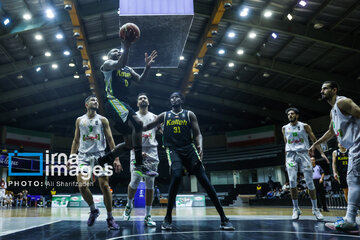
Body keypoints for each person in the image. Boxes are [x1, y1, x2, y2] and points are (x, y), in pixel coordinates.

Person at [142, 92, 234, 230]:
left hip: (189, 149)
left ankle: (224, 219)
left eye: (176, 97)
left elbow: (198, 134)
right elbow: (147, 127)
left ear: (181, 100)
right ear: (170, 101)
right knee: (177, 175)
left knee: (205, 181)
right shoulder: (165, 115)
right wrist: (133, 126)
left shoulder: (189, 114)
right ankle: (168, 218)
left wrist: (200, 145)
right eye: (171, 97)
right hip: (173, 150)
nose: (174, 99)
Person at [98, 33, 158, 177]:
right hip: (112, 101)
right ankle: (139, 164)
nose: (117, 52)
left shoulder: (128, 69)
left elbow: (141, 80)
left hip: (123, 103)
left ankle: (103, 159)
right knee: (138, 124)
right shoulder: (107, 65)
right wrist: (126, 45)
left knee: (129, 144)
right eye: (114, 51)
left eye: (119, 51)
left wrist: (147, 67)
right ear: (108, 56)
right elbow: (120, 63)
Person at [309, 81, 360, 233]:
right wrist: (314, 144)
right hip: (353, 147)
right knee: (354, 180)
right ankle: (350, 219)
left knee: (353, 180)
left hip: (358, 144)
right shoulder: (333, 111)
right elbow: (331, 132)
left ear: (334, 90)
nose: (322, 91)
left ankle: (350, 220)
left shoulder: (343, 102)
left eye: (325, 88)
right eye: (321, 89)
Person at [70, 95, 122, 230]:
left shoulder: (103, 120)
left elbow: (110, 140)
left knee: (105, 186)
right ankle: (94, 210)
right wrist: (71, 157)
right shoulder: (79, 120)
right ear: (86, 105)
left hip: (100, 157)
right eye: (93, 100)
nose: (96, 102)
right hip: (83, 157)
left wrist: (116, 158)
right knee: (82, 186)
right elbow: (76, 140)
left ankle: (110, 218)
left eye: (97, 101)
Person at [282, 107, 329, 220]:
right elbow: (286, 143)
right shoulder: (284, 128)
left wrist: (321, 153)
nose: (290, 116)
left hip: (304, 154)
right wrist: (285, 159)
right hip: (291, 156)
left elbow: (314, 140)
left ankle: (315, 209)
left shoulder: (305, 126)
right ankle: (296, 209)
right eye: (288, 114)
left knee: (310, 182)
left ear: (297, 115)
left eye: (292, 114)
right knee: (292, 181)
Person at [123, 93, 161, 227]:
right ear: (137, 103)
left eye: (145, 98)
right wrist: (136, 150)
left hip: (151, 152)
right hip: (136, 150)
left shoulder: (155, 118)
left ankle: (148, 216)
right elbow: (127, 136)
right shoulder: (133, 118)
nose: (143, 99)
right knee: (135, 181)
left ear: (148, 102)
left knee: (150, 184)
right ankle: (129, 205)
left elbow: (163, 132)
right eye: (140, 98)